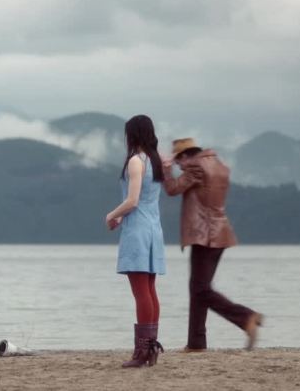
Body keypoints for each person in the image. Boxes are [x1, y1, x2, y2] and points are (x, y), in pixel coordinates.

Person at [162, 137, 263, 351]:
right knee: (199, 288)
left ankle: (246, 317)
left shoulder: (196, 167)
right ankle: (196, 342)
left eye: (178, 160)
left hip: (205, 234)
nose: (179, 165)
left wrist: (166, 170)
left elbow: (172, 189)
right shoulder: (217, 164)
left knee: (200, 290)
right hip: (220, 233)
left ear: (185, 156)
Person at [105, 115, 166, 368]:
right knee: (150, 290)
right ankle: (150, 349)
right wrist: (121, 217)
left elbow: (132, 201)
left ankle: (142, 352)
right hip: (153, 229)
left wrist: (111, 214)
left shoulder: (135, 161)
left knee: (141, 292)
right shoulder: (155, 160)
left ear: (133, 135)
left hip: (138, 232)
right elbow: (143, 200)